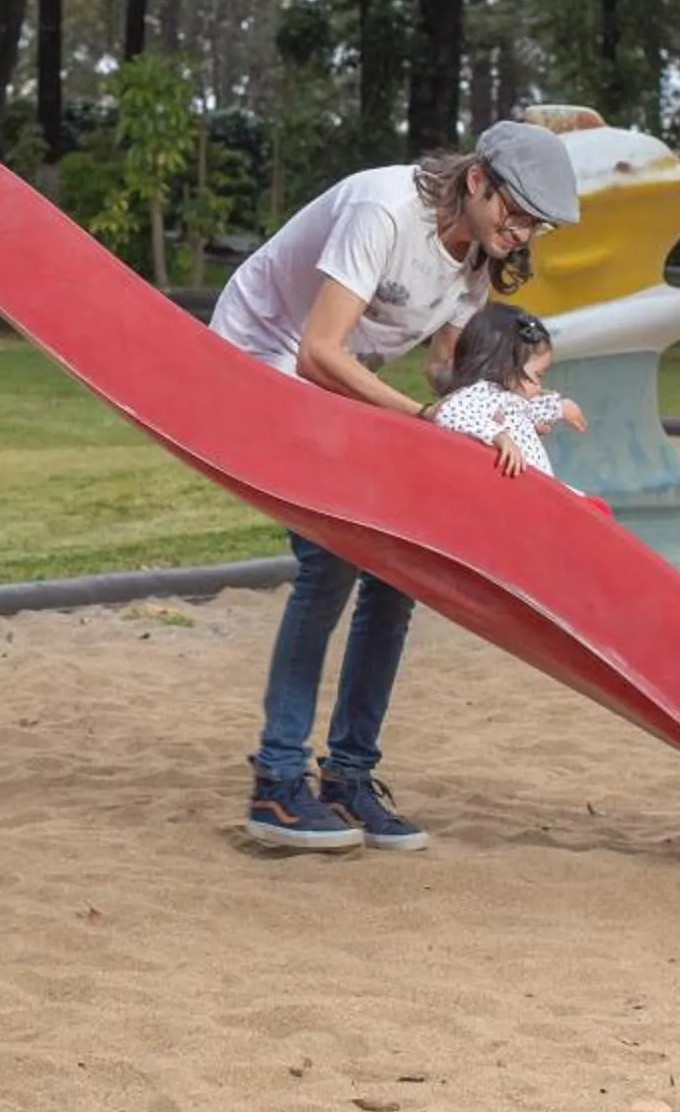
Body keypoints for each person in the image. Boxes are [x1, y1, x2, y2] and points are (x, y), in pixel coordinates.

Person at [212, 119, 580, 852]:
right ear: (476, 179)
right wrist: (422, 417)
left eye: (535, 225)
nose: (520, 234)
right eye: (516, 213)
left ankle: (348, 776)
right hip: (255, 363)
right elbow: (319, 352)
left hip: (335, 386)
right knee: (330, 560)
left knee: (399, 567)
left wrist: (501, 410)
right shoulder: (383, 209)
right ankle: (277, 784)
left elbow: (446, 371)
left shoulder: (475, 257)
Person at [428, 304, 588, 481]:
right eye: (538, 375)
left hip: (535, 484)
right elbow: (449, 412)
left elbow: (531, 409)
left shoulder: (510, 399)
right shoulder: (483, 393)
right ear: (506, 366)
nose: (539, 385)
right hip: (519, 486)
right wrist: (498, 436)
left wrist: (559, 407)